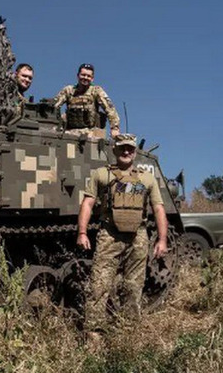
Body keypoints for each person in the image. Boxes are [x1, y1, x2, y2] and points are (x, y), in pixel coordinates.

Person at [76, 133, 168, 338]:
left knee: (134, 286)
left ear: (135, 152)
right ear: (114, 150)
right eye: (122, 148)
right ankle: (94, 333)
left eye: (130, 149)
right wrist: (82, 232)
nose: (126, 152)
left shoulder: (146, 178)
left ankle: (128, 332)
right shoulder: (102, 174)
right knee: (99, 284)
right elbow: (88, 203)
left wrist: (162, 240)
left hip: (138, 236)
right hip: (109, 234)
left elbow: (158, 209)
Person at [53, 63, 120, 139]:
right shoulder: (69, 90)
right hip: (69, 132)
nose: (85, 78)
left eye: (88, 76)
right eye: (83, 75)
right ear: (78, 75)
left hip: (90, 133)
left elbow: (110, 109)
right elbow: (54, 106)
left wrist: (115, 128)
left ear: (92, 78)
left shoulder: (96, 91)